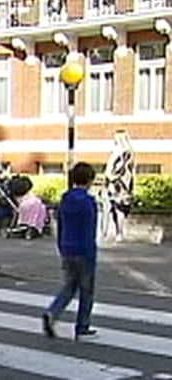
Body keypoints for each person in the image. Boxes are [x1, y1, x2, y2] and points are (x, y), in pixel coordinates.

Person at [42, 162, 98, 341]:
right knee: (86, 290)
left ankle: (52, 312)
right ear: (90, 181)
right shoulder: (89, 202)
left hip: (67, 247)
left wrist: (61, 246)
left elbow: (61, 227)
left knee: (69, 286)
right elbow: (91, 229)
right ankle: (82, 326)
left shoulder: (64, 201)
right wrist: (92, 251)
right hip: (84, 250)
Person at [104, 130, 134, 242]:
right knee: (120, 209)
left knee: (118, 209)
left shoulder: (120, 153)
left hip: (118, 185)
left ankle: (119, 233)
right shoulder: (130, 153)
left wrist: (110, 178)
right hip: (125, 184)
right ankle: (118, 232)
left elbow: (112, 170)